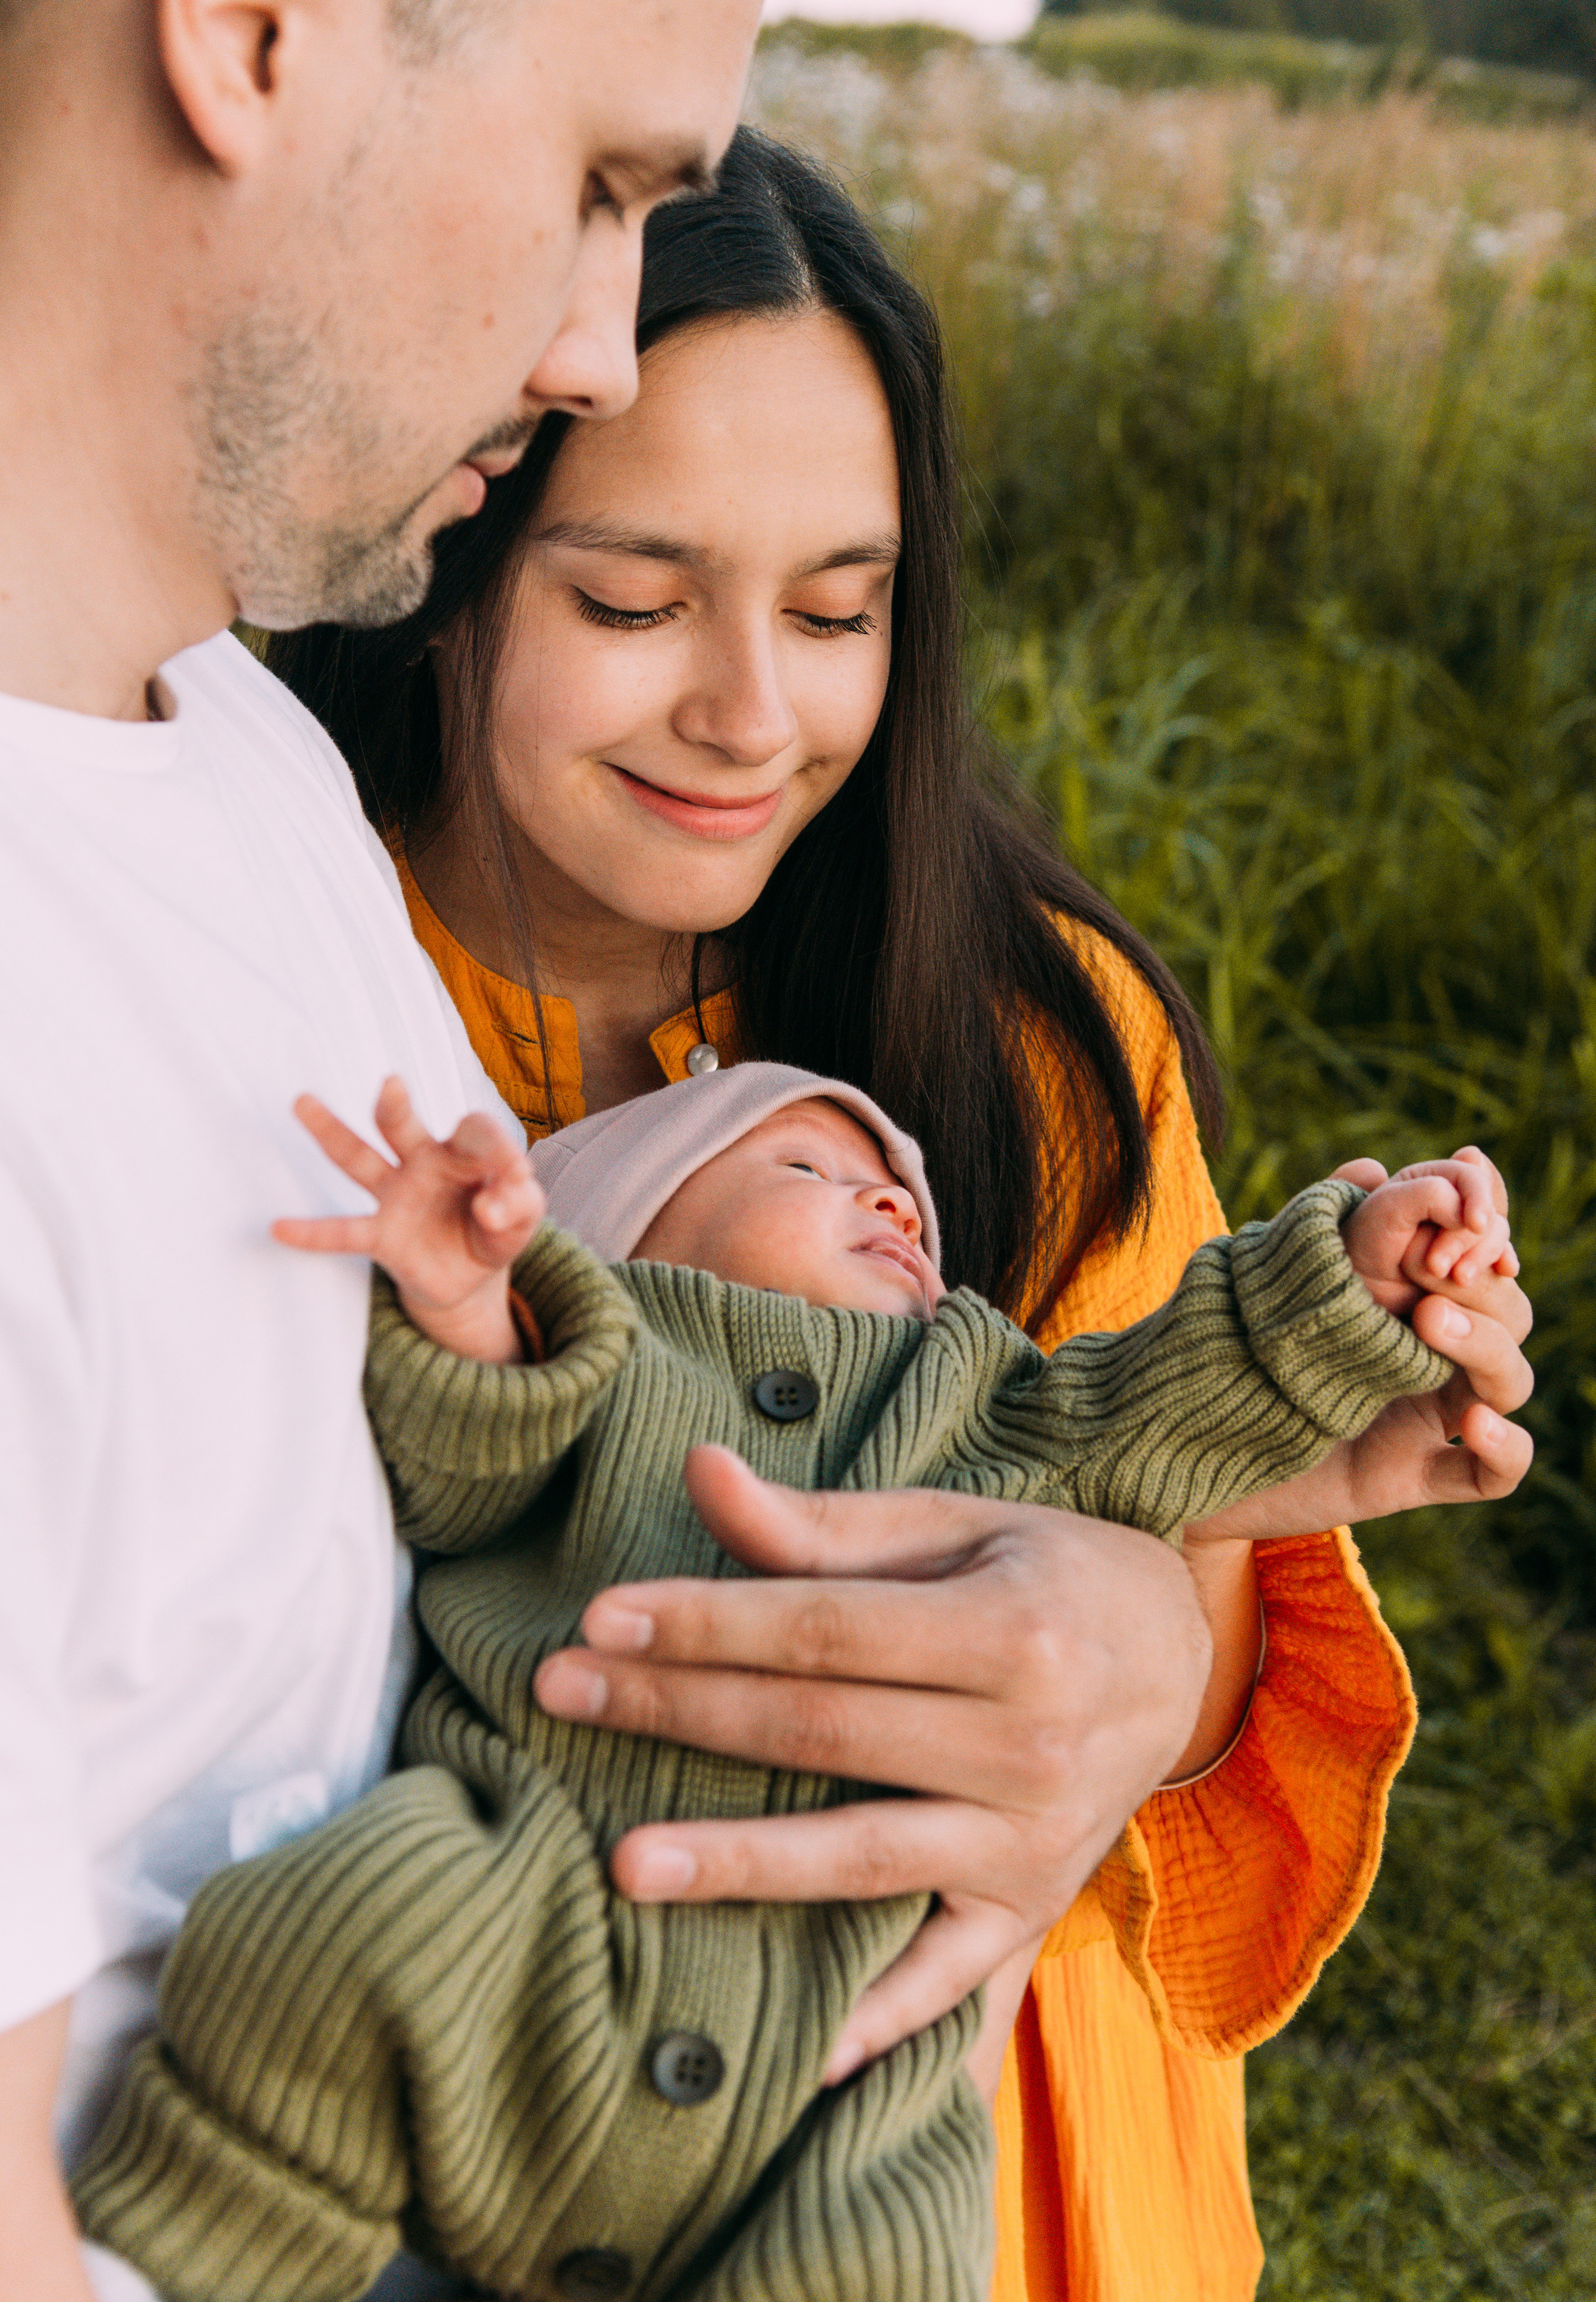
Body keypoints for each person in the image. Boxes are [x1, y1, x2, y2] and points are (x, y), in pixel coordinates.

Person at [269, 130, 1538, 2300]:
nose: (755, 716)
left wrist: (1176, 1592)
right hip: (495, 2104)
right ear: (447, 543)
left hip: (981, 2130)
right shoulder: (292, 972)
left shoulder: (1041, 1038)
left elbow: (1180, 1547)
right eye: (633, 601)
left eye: (841, 610)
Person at [0, 0, 775, 2298]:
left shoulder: (223, 740)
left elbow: (524, 1423)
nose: (596, 349)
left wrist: (1100, 1643)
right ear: (250, 17)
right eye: (598, 186)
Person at [75, 1062, 1508, 2302]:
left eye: (904, 1198)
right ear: (623, 1232)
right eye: (806, 1165)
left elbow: (1174, 1393)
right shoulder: (610, 1361)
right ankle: (196, 2240)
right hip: (518, 1918)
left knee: (894, 2232)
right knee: (330, 1936)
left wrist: (1344, 1282)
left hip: (841, 2038)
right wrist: (465, 1309)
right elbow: (457, 1474)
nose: (887, 1200)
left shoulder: (987, 1406)